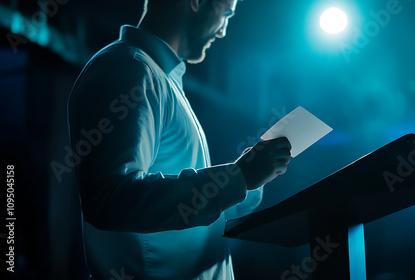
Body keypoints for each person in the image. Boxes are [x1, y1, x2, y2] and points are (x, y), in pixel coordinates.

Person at [67, 0, 292, 279]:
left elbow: (183, 218)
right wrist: (238, 177)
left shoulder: (155, 76)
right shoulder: (129, 68)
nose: (222, 31)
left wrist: (247, 179)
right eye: (226, 13)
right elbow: (110, 200)